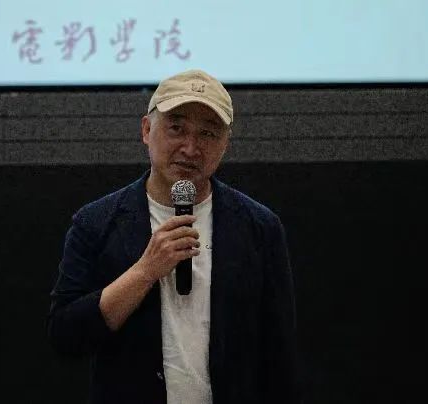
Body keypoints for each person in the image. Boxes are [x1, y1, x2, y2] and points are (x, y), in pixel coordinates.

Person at [47, 69, 301, 404]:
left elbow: (280, 353)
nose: (190, 148)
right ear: (146, 130)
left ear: (225, 144)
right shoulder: (96, 223)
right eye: (176, 128)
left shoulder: (258, 227)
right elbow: (65, 335)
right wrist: (145, 271)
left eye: (208, 133)